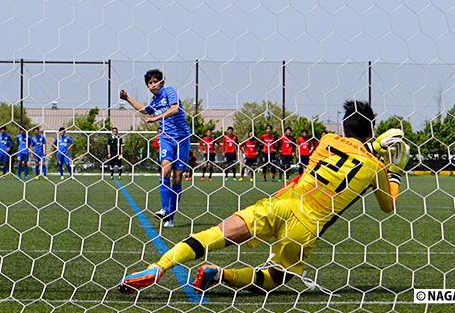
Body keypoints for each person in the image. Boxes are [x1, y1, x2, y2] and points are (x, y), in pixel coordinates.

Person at [118, 100, 409, 295]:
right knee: (278, 278)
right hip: (307, 225)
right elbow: (388, 207)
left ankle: (158, 268)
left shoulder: (328, 140)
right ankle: (220, 275)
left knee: (214, 234)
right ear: (371, 128)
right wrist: (393, 171)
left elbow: (352, 147)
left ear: (343, 126)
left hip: (282, 203)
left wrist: (372, 143)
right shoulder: (375, 167)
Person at [120, 69, 191, 228]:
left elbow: (175, 109)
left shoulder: (169, 91)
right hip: (166, 137)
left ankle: (171, 216)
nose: (152, 85)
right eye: (149, 83)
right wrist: (128, 98)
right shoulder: (155, 100)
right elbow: (145, 110)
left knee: (178, 178)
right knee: (165, 169)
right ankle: (165, 209)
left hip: (182, 138)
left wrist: (156, 118)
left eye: (154, 82)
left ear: (162, 82)